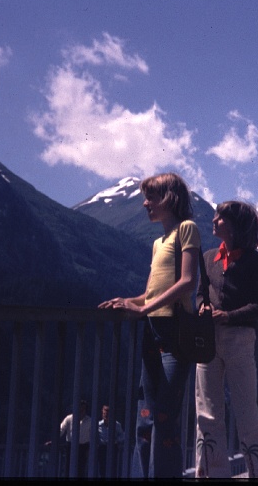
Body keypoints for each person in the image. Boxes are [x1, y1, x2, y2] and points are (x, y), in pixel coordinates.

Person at [99, 172, 200, 479]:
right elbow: (153, 291)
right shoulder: (158, 243)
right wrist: (128, 300)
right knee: (145, 419)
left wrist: (141, 308)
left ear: (170, 198)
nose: (145, 204)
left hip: (175, 332)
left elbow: (188, 282)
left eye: (151, 197)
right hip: (153, 331)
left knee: (164, 418)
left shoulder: (187, 229)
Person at [193, 201, 258, 479]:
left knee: (246, 413)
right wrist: (203, 307)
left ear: (236, 225)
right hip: (208, 339)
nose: (214, 220)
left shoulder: (255, 261)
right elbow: (199, 294)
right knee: (206, 414)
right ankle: (210, 475)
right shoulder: (208, 258)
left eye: (221, 217)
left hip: (239, 339)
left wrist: (229, 316)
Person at [58, 400, 91, 478]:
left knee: (81, 470)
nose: (81, 411)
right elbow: (61, 430)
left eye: (83, 409)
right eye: (80, 409)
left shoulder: (90, 421)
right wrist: (54, 440)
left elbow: (93, 434)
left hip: (83, 448)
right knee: (68, 468)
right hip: (70, 447)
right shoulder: (69, 418)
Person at [97, 405, 125, 478]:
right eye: (104, 413)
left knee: (113, 468)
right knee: (102, 468)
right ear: (102, 413)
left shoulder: (117, 425)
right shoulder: (98, 425)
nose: (106, 415)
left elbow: (122, 436)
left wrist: (116, 440)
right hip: (102, 448)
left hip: (113, 448)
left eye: (108, 414)